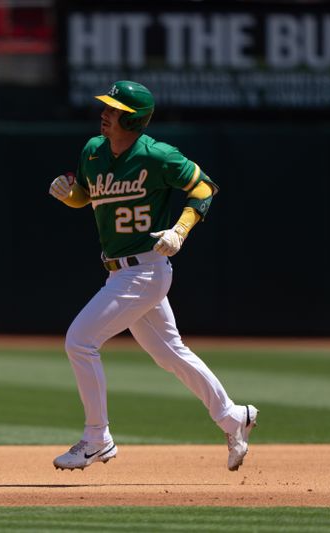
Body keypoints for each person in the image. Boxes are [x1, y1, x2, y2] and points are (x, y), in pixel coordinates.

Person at [48, 80, 257, 472]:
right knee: (170, 354)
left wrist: (180, 229)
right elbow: (84, 196)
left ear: (133, 118)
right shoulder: (94, 151)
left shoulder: (158, 156)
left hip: (144, 270)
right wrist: (68, 194)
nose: (104, 114)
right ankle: (233, 417)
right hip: (122, 273)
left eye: (113, 110)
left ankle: (97, 438)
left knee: (80, 341)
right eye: (107, 107)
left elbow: (204, 187)